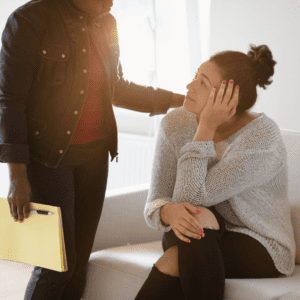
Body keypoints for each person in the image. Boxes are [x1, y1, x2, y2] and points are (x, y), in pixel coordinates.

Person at [0, 0, 186, 299]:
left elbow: (118, 87)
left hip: (95, 159)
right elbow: (9, 102)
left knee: (80, 264)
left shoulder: (107, 23)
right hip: (47, 160)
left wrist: (183, 101)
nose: (111, 3)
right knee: (56, 266)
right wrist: (17, 177)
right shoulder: (29, 21)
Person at [134, 44, 296, 300]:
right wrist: (168, 211)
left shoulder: (262, 137)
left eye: (203, 83)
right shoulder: (174, 124)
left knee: (179, 250)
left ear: (230, 99)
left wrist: (206, 128)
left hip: (257, 241)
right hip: (189, 227)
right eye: (196, 76)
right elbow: (156, 200)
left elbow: (194, 197)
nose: (189, 87)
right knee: (194, 222)